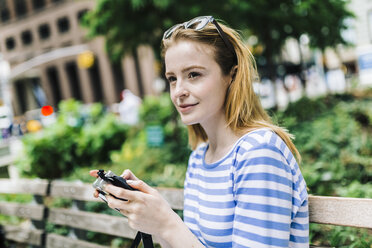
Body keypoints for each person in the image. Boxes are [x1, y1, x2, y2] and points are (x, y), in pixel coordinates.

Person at [90, 16, 309, 248]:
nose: (178, 91)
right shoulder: (199, 157)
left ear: (231, 75)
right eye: (172, 79)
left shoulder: (258, 153)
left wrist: (167, 223)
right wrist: (150, 215)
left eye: (193, 74)